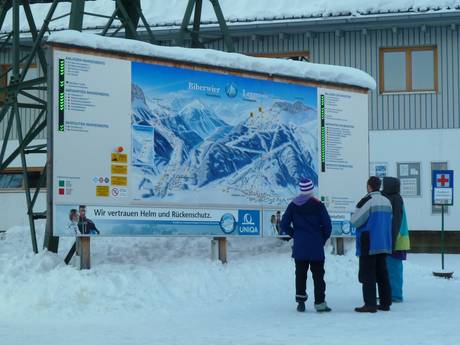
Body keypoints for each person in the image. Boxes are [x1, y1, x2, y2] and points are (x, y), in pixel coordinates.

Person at [281, 178, 332, 313]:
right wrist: (322, 238)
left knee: (300, 274)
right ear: (311, 189)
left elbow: (284, 224)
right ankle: (320, 304)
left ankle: (301, 302)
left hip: (301, 246)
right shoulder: (318, 205)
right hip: (316, 245)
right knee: (318, 276)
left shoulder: (293, 205)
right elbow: (327, 225)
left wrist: (295, 235)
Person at [351, 176, 393, 313]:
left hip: (369, 243)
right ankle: (385, 303)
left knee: (367, 274)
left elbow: (356, 221)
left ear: (369, 186)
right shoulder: (387, 201)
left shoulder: (368, 201)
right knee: (382, 274)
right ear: (379, 186)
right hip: (384, 242)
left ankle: (370, 304)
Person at [382, 177, 411, 303]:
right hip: (396, 239)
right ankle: (391, 293)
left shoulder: (395, 199)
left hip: (396, 240)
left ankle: (396, 295)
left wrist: (392, 241)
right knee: (390, 268)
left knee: (394, 269)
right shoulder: (395, 197)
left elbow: (396, 221)